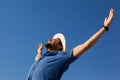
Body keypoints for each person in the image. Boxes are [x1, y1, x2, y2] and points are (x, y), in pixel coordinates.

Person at [27, 8, 114, 80]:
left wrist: (104, 27)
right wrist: (39, 51)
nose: (50, 39)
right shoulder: (42, 58)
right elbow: (37, 58)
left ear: (60, 46)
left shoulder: (61, 56)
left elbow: (85, 45)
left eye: (54, 39)